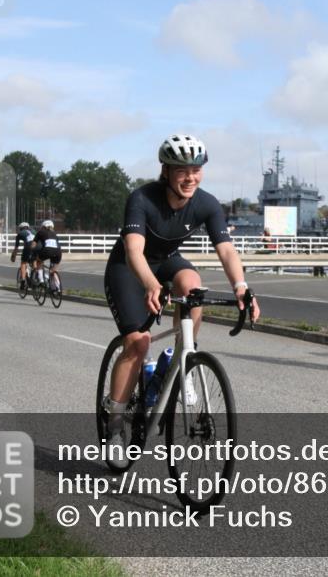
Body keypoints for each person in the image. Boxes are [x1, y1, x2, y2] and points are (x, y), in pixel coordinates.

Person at [102, 135, 260, 457]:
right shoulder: (142, 198)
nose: (190, 178)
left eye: (196, 170)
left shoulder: (206, 203)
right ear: (166, 171)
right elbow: (134, 251)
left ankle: (179, 357)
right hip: (129, 268)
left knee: (193, 284)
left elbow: (226, 250)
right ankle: (114, 420)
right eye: (182, 171)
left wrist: (241, 287)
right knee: (139, 343)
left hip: (167, 262)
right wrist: (150, 284)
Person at [31, 219, 62, 289]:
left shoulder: (40, 232)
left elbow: (33, 244)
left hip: (47, 251)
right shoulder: (55, 234)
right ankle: (57, 288)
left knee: (39, 261)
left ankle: (41, 280)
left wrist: (32, 250)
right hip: (58, 252)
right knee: (53, 270)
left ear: (43, 226)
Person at [9, 222, 35, 289]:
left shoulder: (20, 234)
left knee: (23, 263)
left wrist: (13, 256)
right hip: (37, 247)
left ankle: (23, 281)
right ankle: (35, 277)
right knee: (34, 261)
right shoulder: (33, 231)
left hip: (28, 247)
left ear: (20, 228)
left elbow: (16, 248)